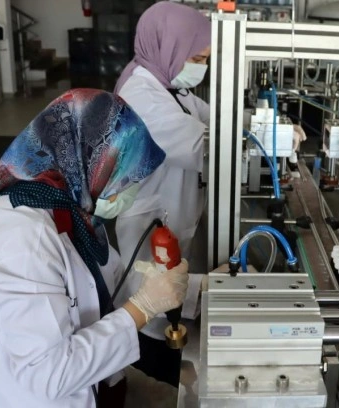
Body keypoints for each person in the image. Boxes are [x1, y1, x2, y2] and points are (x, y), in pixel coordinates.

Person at [0, 89, 189, 407]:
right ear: (92, 164)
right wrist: (143, 308)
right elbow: (49, 375)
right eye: (124, 179)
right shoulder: (19, 241)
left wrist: (190, 289)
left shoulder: (72, 214)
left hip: (82, 386)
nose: (128, 192)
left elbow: (110, 287)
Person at [113, 2, 211, 387]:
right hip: (149, 219)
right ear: (168, 46)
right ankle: (151, 366)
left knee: (172, 290)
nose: (201, 67)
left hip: (173, 212)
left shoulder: (171, 87)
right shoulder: (141, 94)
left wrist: (257, 123)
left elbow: (214, 118)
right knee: (151, 301)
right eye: (197, 58)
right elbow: (201, 147)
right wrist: (260, 139)